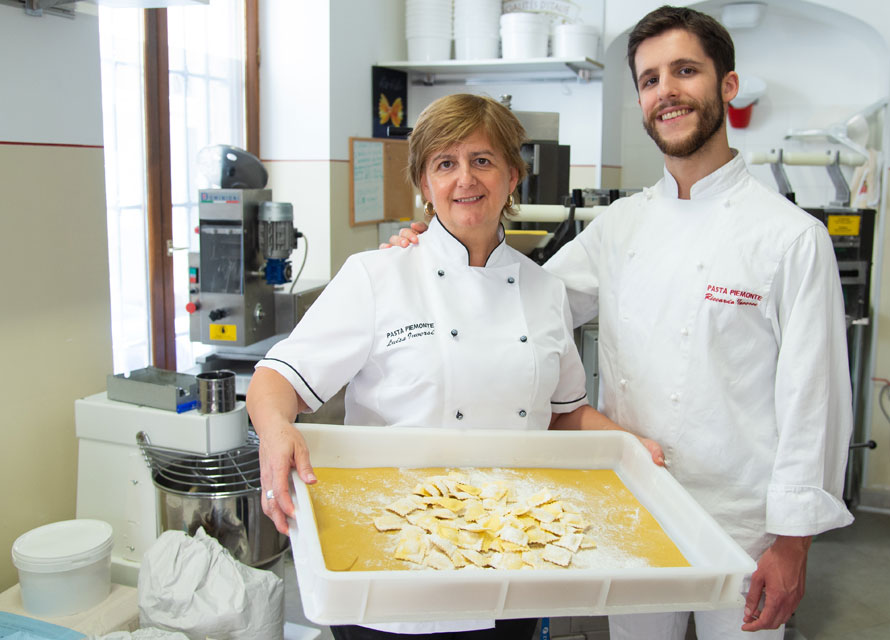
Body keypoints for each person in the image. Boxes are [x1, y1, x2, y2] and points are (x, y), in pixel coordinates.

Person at [385, 6, 854, 639]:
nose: (667, 92)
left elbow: (813, 401)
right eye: (651, 79)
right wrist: (438, 251)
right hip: (636, 507)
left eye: (685, 71)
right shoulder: (622, 228)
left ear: (728, 87)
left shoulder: (792, 238)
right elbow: (523, 304)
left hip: (745, 528)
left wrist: (793, 543)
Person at [247, 93, 664, 640]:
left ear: (514, 175)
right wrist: (275, 428)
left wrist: (631, 447)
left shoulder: (543, 290)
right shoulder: (378, 275)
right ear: (424, 184)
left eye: (483, 160)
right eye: (445, 164)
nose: (465, 178)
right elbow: (276, 380)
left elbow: (563, 415)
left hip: (507, 559)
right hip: (390, 558)